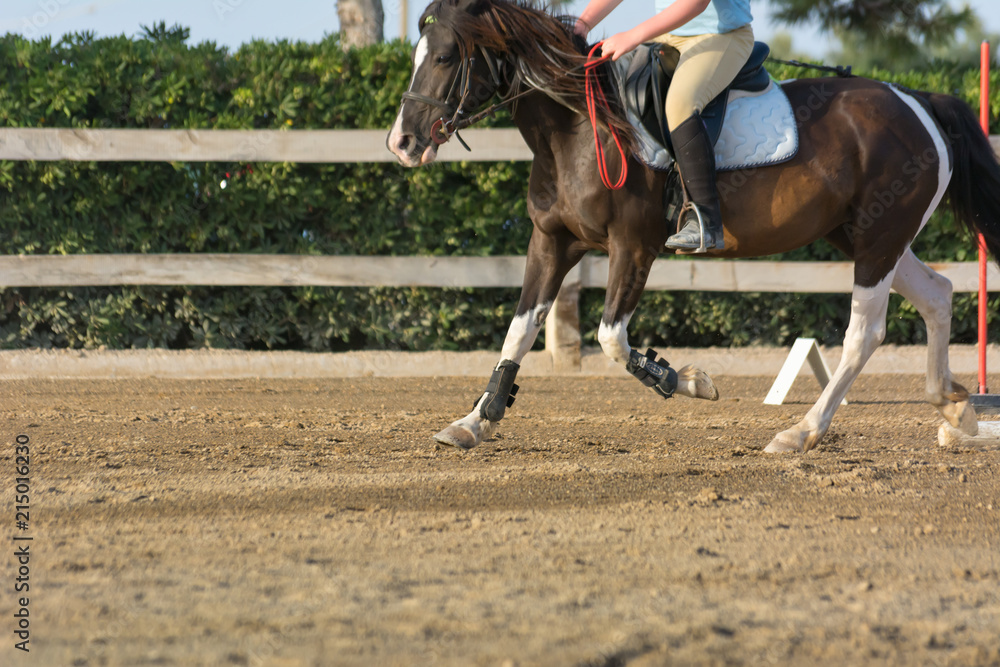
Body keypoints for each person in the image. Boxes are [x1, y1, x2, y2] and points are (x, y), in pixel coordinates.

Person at [574, 0, 753, 252]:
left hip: (721, 36)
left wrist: (632, 36)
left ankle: (705, 221)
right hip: (667, 36)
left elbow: (697, 3)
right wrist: (581, 25)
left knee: (680, 105)